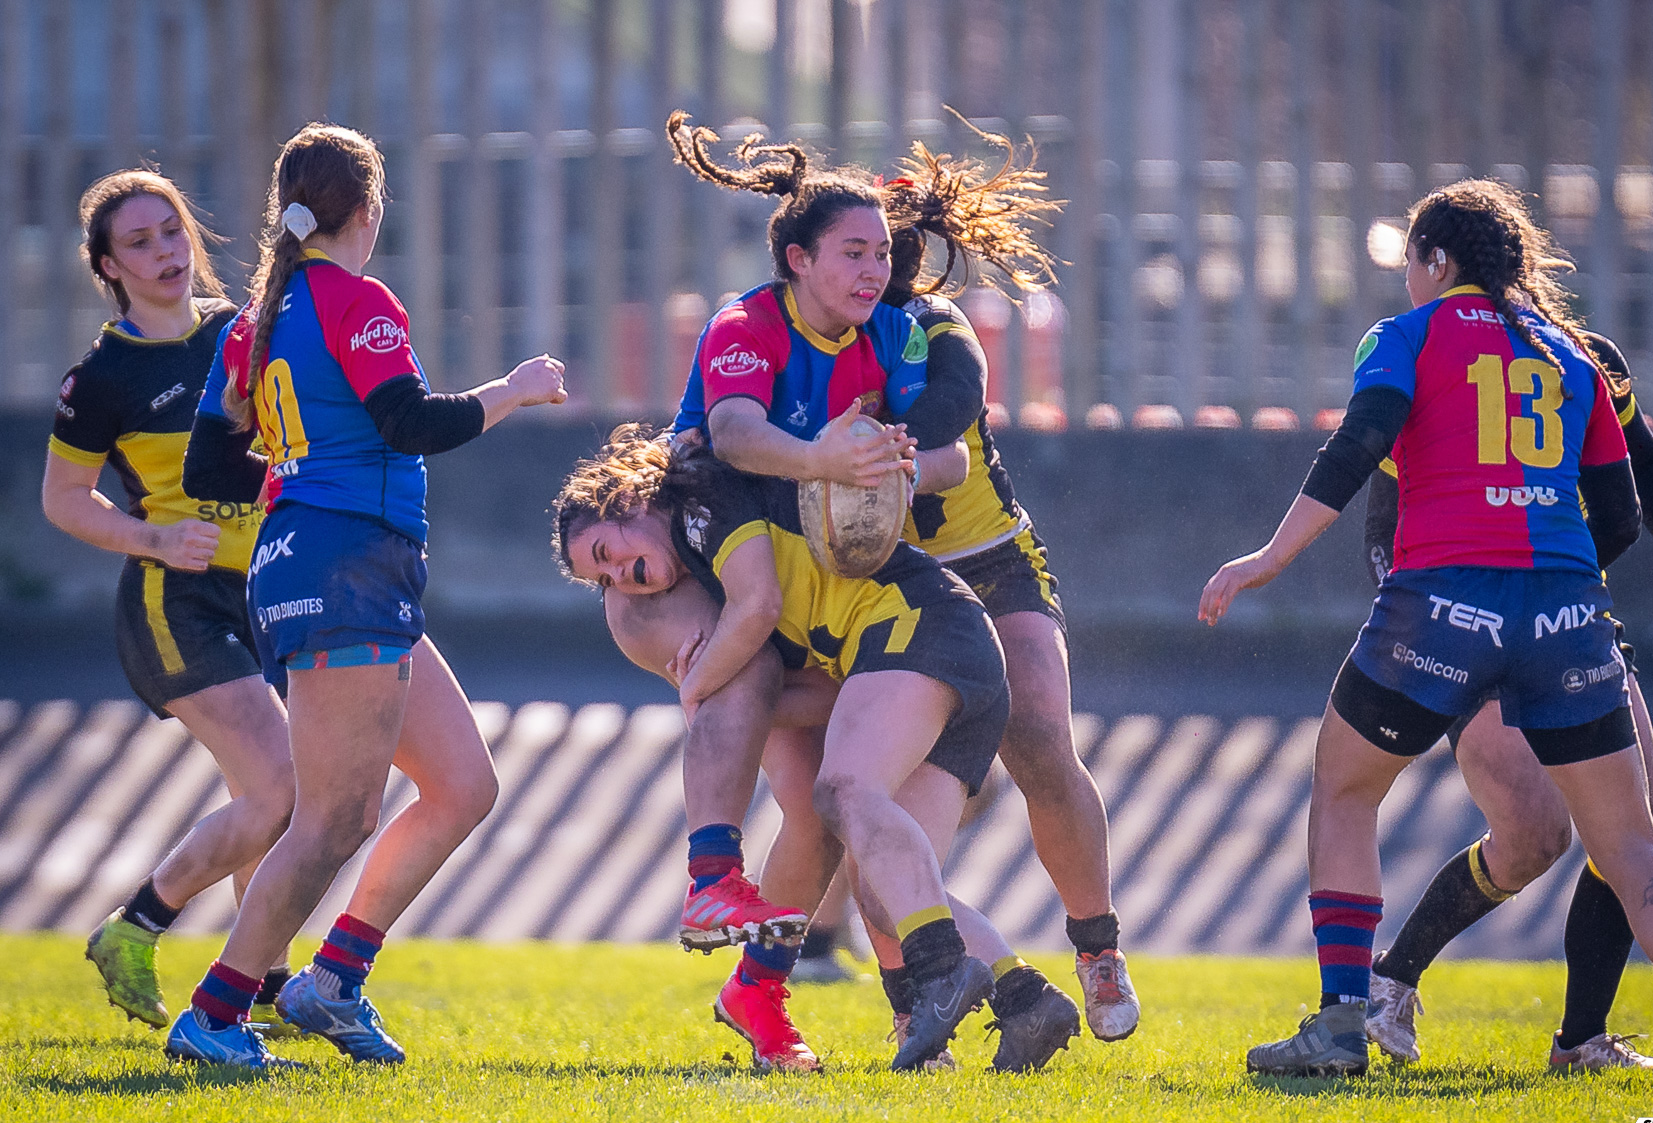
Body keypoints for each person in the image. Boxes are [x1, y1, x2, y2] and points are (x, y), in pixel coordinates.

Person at [1199, 179, 1653, 1087]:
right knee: (1630, 844)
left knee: (1345, 791)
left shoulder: (1406, 337)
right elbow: (1620, 511)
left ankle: (1347, 1018)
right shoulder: (1574, 359)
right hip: (1566, 613)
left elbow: (1356, 448)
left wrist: (1268, 558)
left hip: (1442, 606)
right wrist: (1560, 582)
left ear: (1436, 259)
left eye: (1411, 266)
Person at [667, 113, 1126, 1043]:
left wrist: (885, 452)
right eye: (858, 251)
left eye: (885, 250)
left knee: (1031, 742)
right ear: (803, 259)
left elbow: (952, 423)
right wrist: (821, 460)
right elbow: (733, 436)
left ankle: (1095, 943)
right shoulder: (761, 325)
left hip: (969, 561)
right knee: (830, 794)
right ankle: (798, 956)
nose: (877, 268)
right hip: (860, 576)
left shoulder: (917, 331)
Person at [166, 123, 566, 1069]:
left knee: (464, 784)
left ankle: (334, 981)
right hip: (345, 564)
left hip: (318, 563)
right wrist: (515, 388)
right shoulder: (355, 298)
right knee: (334, 819)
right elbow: (410, 420)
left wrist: (296, 467)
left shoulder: (256, 318)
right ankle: (215, 1017)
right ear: (370, 212)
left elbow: (209, 465)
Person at [554, 432, 1079, 1072]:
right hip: (912, 650)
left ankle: (739, 901)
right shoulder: (648, 593)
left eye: (608, 554)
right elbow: (760, 676)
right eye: (599, 577)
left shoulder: (706, 495)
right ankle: (1017, 998)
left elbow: (758, 615)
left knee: (838, 796)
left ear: (633, 499)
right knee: (877, 877)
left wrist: (699, 687)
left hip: (914, 636)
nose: (617, 578)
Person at [1360, 331, 1653, 1074]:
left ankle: (1581, 1041)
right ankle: (1389, 981)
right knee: (1533, 839)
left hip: (1572, 622)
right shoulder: (1436, 355)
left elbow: (1642, 466)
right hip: (1471, 625)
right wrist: (1430, 621)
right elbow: (1382, 526)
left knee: (1630, 827)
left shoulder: (1586, 359)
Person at [42, 169, 299, 1035]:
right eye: (140, 243)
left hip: (266, 591)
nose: (165, 254)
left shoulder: (242, 331)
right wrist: (154, 538)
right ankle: (137, 926)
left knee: (259, 796)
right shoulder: (102, 378)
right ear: (108, 267)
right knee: (278, 789)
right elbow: (62, 501)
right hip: (173, 604)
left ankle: (261, 987)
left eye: (173, 232)